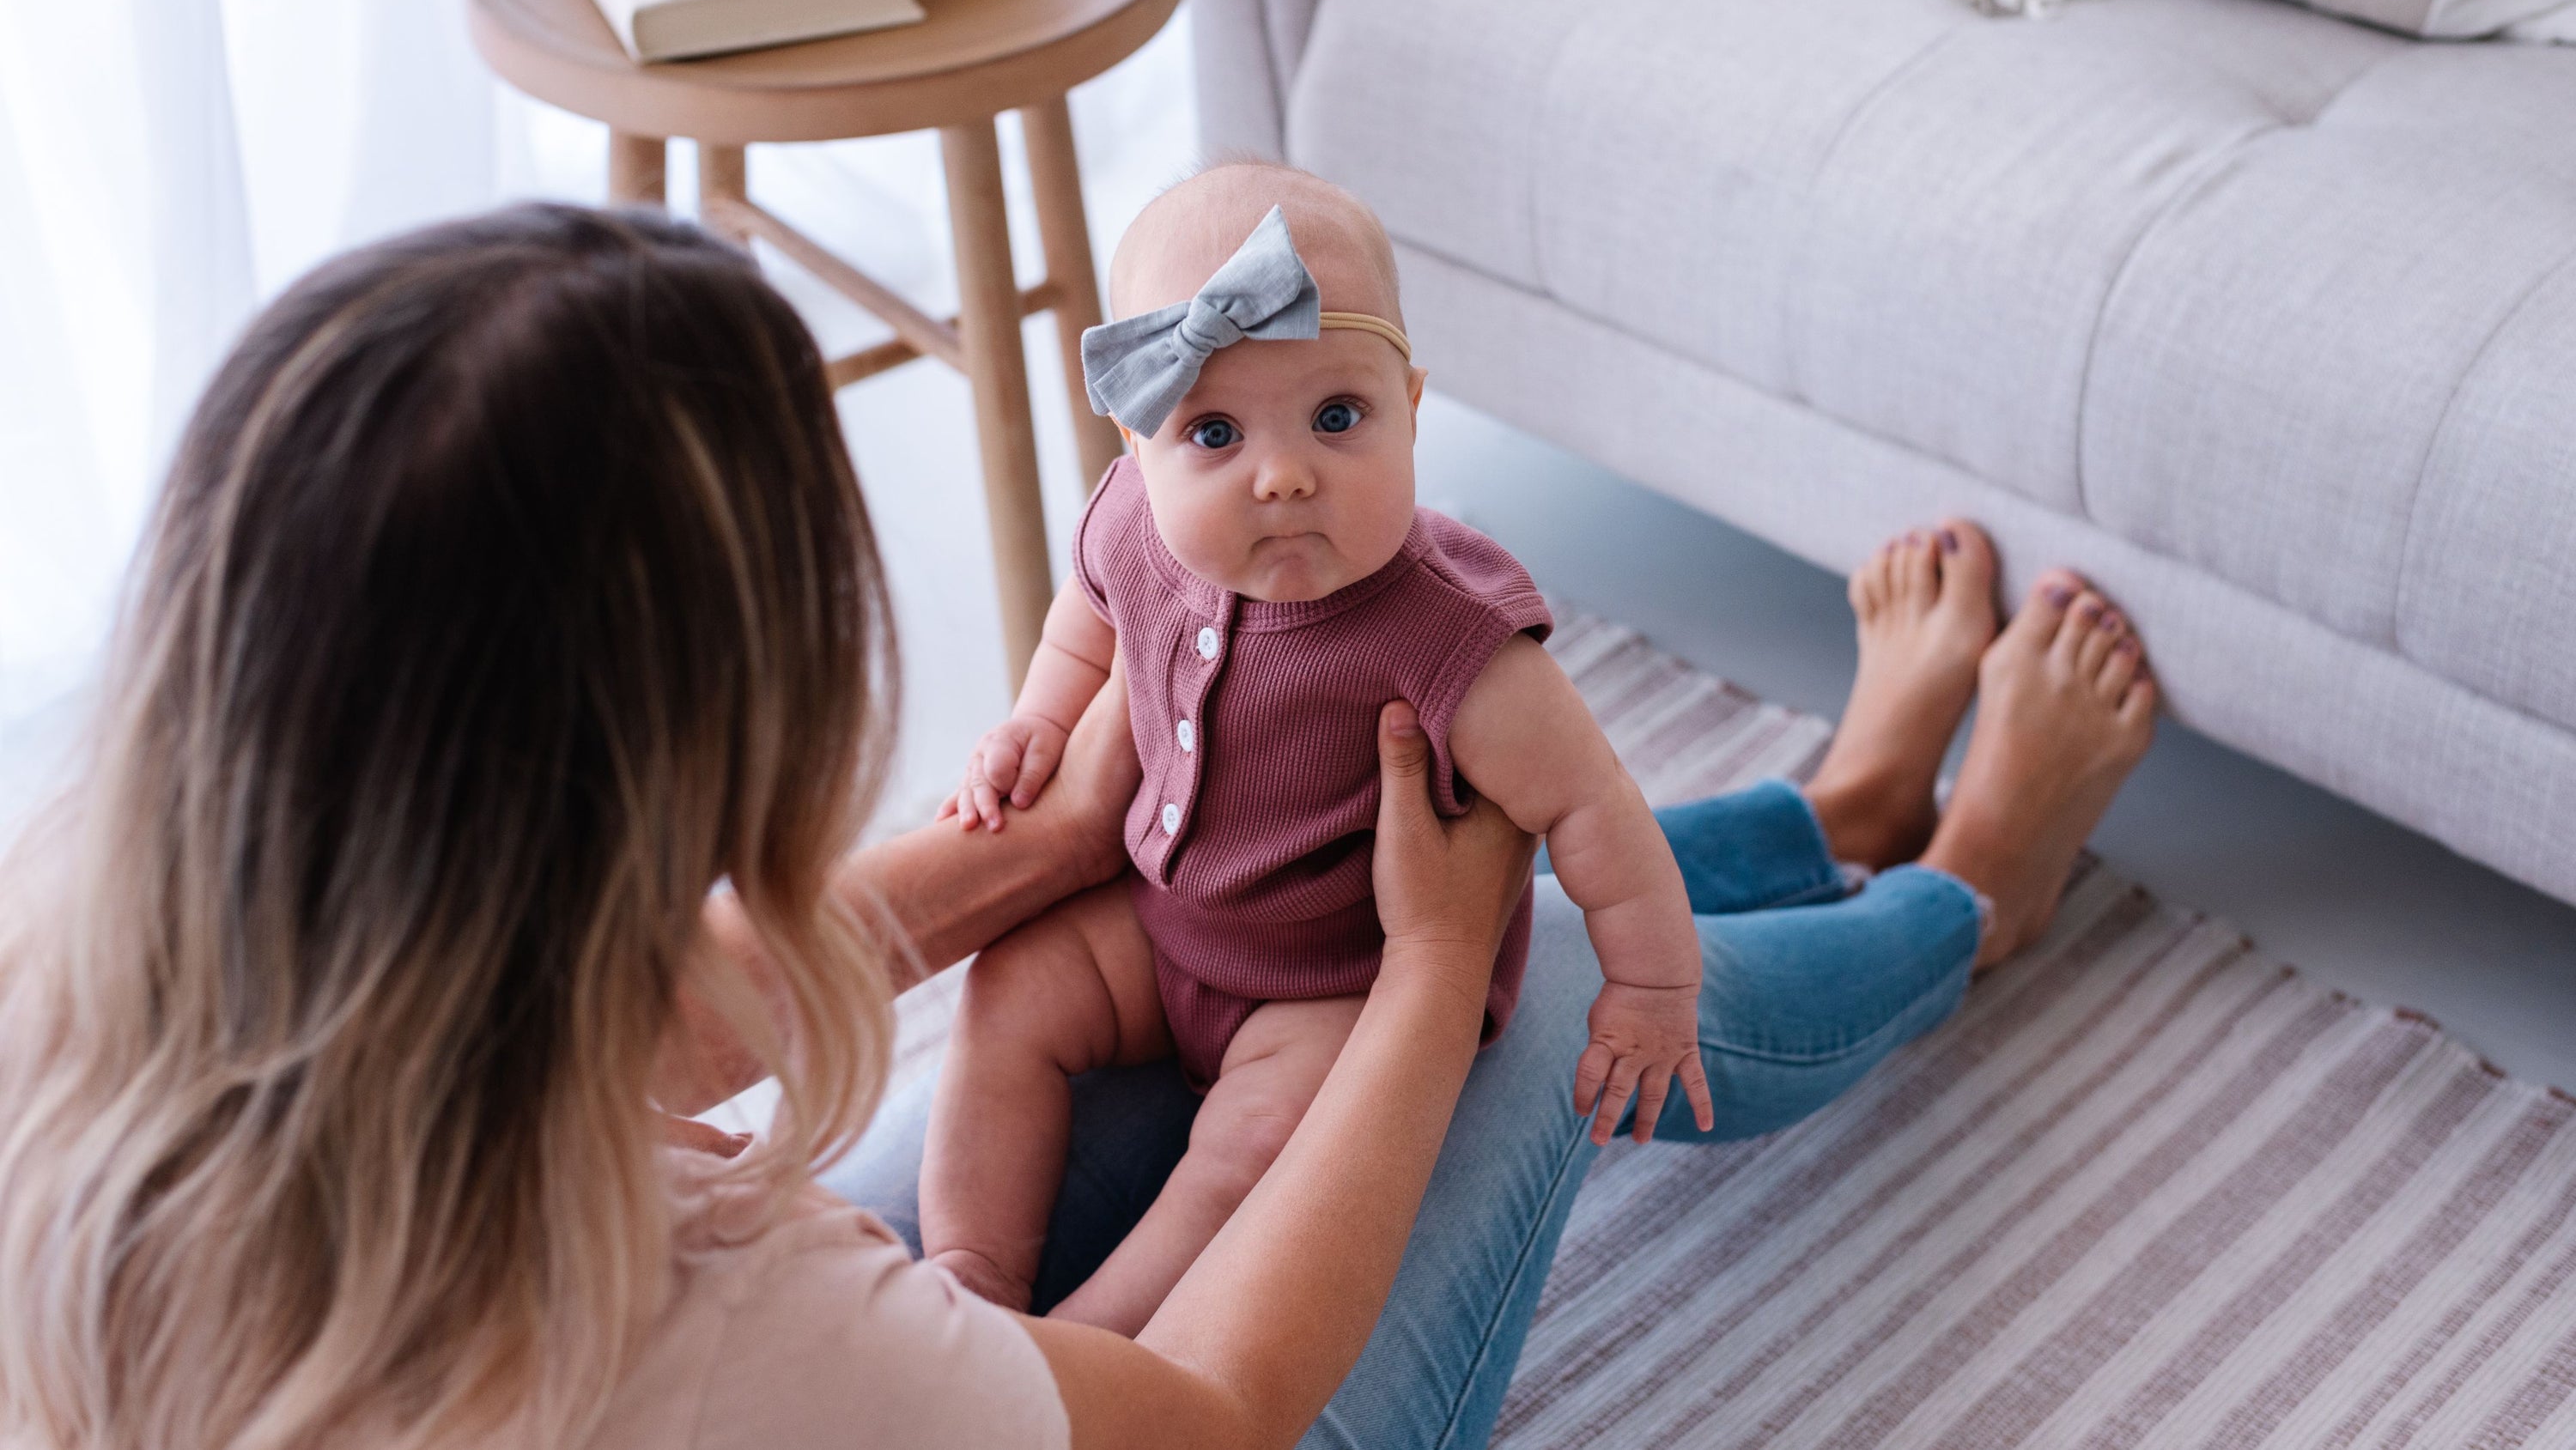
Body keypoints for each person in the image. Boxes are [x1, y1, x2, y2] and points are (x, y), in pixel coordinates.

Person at [0, 201, 2153, 1450]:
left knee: (1155, 1009)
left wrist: (1058, 835)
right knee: (1545, 966)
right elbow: (1204, 1424)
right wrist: (1419, 970)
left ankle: (1827, 803)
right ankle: (1962, 886)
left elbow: (600, 1024)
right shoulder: (717, 1330)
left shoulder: (73, 944)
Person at [922, 172, 1717, 1332]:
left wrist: (1650, 987)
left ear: (1412, 401)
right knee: (1007, 989)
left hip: (1333, 982)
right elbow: (1079, 622)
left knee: (1252, 1157)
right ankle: (967, 1273)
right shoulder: (1130, 521)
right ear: (1137, 445)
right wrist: (1041, 723)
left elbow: (1592, 806)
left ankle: (1077, 1349)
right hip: (1160, 922)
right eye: (1214, 431)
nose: (1284, 473)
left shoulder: (1450, 636)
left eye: (1337, 417)